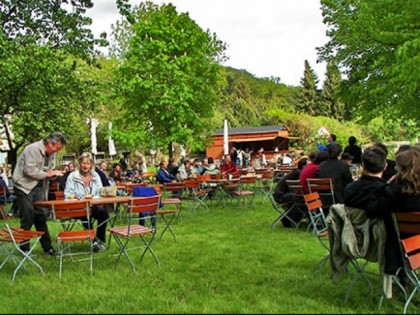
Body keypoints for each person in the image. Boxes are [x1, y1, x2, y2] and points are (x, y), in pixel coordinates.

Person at [12, 131, 66, 255]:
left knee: (41, 216)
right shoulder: (33, 149)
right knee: (28, 216)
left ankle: (48, 248)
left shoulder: (49, 154)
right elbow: (29, 170)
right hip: (23, 186)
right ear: (51, 144)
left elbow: (46, 172)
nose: (57, 151)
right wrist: (49, 174)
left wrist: (54, 174)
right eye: (57, 148)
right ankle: (24, 249)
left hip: (37, 187)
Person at [64, 152, 109, 252]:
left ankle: (99, 241)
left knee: (104, 213)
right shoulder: (72, 176)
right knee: (86, 213)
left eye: (88, 163)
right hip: (78, 207)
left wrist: (93, 197)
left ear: (91, 165)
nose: (85, 166)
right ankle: (93, 242)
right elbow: (67, 195)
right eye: (83, 163)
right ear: (79, 164)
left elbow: (101, 192)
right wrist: (80, 199)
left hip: (93, 205)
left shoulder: (96, 175)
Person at [272, 158, 307, 227]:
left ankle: (292, 219)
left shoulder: (296, 171)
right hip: (281, 195)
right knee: (300, 199)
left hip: (280, 194)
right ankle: (287, 219)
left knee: (300, 199)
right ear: (304, 166)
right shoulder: (298, 173)